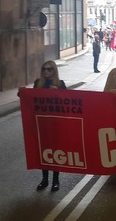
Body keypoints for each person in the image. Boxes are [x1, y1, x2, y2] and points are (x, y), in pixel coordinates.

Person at [34, 60, 67, 192]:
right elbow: (30, 99)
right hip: (42, 123)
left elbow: (68, 101)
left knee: (55, 152)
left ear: (54, 70)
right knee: (44, 152)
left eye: (49, 69)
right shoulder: (38, 83)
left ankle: (55, 180)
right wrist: (22, 93)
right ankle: (44, 179)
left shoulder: (60, 84)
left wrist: (58, 92)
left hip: (55, 124)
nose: (46, 71)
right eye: (44, 69)